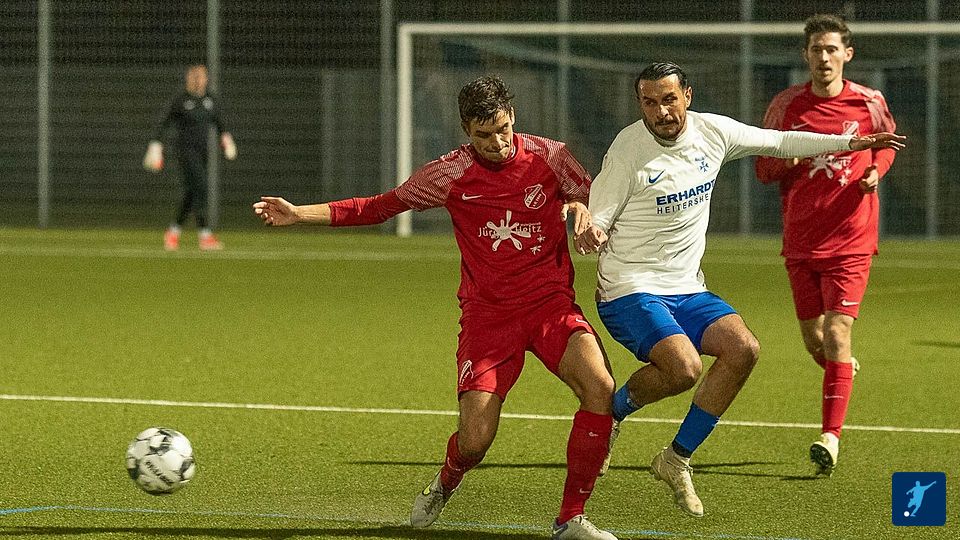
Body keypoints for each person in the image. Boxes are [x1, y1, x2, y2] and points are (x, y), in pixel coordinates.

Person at [253, 76, 618, 540]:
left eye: (503, 129)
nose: (497, 143)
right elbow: (379, 206)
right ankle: (448, 478)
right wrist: (299, 213)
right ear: (467, 130)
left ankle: (570, 519)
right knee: (475, 441)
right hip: (489, 319)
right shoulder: (448, 174)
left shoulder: (551, 156)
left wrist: (583, 209)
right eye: (484, 135)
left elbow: (593, 195)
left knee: (599, 386)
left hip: (551, 306)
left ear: (513, 118)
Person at [575, 62, 903, 517]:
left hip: (686, 287)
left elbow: (780, 142)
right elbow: (599, 215)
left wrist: (849, 143)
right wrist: (591, 229)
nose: (661, 112)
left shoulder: (713, 132)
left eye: (669, 100)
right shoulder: (627, 150)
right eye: (649, 103)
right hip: (629, 288)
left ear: (687, 96)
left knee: (743, 349)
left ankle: (675, 459)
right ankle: (614, 411)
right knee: (684, 368)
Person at [755, 14, 898, 477]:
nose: (824, 57)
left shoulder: (870, 101)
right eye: (816, 49)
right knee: (814, 340)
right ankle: (841, 369)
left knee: (837, 333)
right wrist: (791, 158)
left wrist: (876, 169)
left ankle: (829, 438)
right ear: (806, 55)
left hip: (852, 238)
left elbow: (886, 144)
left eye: (832, 49)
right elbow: (763, 170)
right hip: (801, 240)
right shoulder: (786, 105)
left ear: (847, 54)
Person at [143, 63, 236, 251]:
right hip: (185, 152)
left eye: (201, 77)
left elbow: (220, 124)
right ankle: (205, 235)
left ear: (206, 79)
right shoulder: (181, 100)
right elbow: (164, 123)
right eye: (194, 77)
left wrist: (227, 141)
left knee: (192, 193)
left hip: (203, 154)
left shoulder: (210, 100)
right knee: (201, 187)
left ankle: (173, 232)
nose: (198, 80)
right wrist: (156, 145)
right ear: (188, 79)